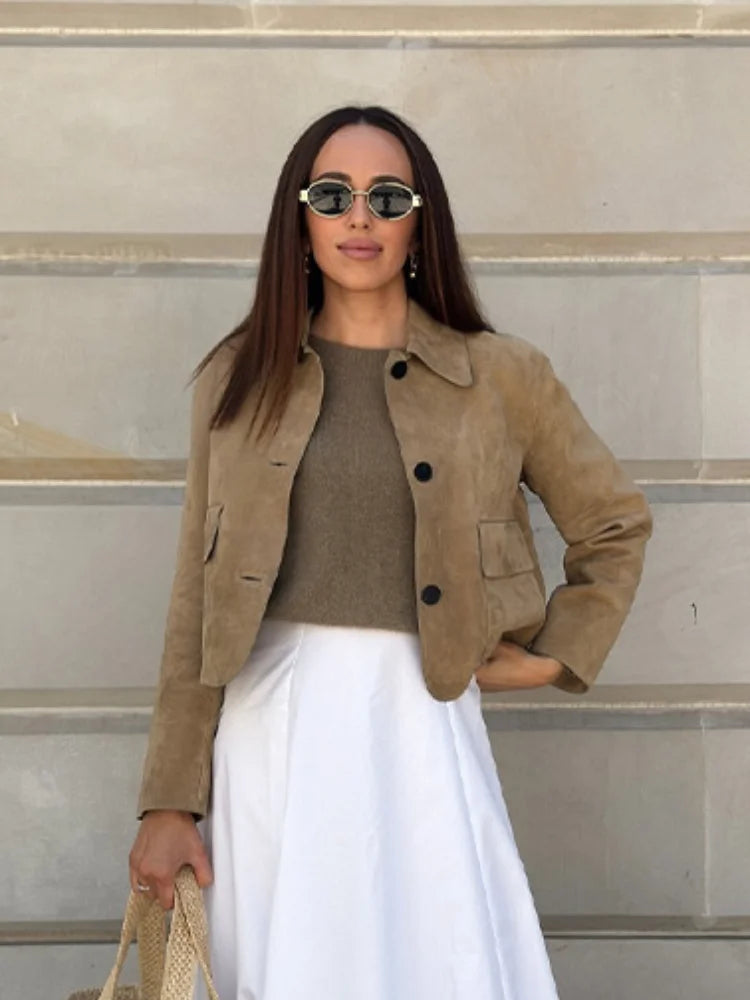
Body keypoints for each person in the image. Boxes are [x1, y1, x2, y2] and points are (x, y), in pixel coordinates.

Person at [128, 104, 653, 999]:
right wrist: (169, 801)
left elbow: (614, 524)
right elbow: (195, 598)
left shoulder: (502, 377)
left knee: (432, 956)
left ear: (420, 222)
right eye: (332, 196)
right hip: (271, 735)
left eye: (388, 196)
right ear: (300, 220)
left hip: (422, 723)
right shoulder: (238, 378)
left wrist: (556, 655)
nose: (360, 217)